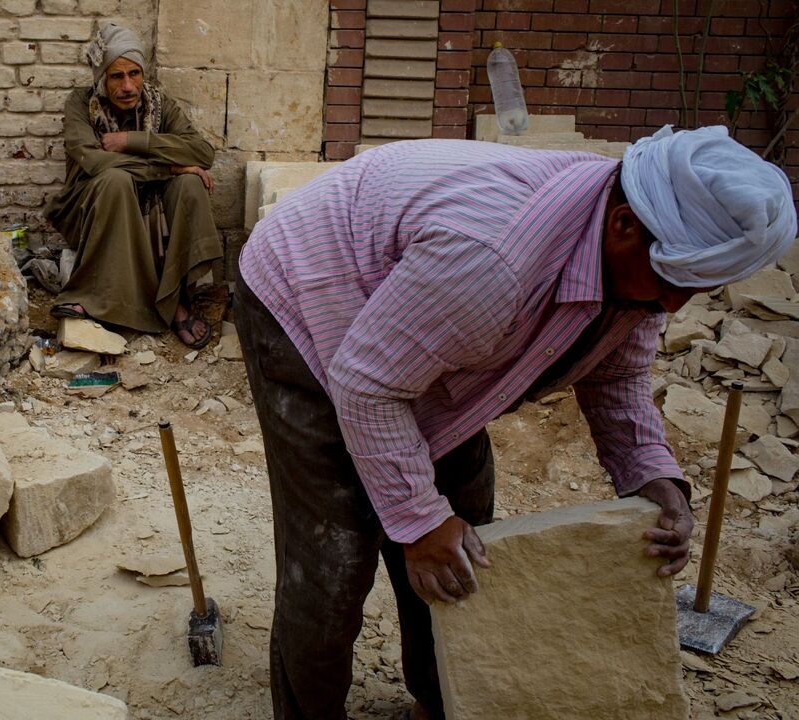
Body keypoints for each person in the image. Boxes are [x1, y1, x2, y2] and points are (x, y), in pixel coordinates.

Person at [235, 125, 797, 720]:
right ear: (624, 225)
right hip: (312, 290)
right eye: (672, 281)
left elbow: (616, 376)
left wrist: (650, 474)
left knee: (466, 530)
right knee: (335, 554)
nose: (675, 305)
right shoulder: (493, 259)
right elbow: (367, 384)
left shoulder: (642, 263)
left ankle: (444, 697)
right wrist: (419, 522)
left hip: (421, 319)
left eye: (697, 288)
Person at [44, 23, 223, 348]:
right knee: (115, 180)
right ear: (102, 78)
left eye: (135, 74)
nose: (128, 86)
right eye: (117, 76)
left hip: (154, 201)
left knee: (190, 184)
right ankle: (103, 299)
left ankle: (177, 299)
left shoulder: (158, 104)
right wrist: (169, 165)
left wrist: (134, 141)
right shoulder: (82, 105)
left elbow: (202, 153)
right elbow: (95, 162)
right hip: (93, 205)